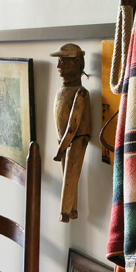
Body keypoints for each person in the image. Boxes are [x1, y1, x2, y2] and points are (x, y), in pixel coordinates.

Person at [51, 43, 91, 222]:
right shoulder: (62, 90)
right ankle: (72, 210)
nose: (59, 66)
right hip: (63, 139)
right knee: (67, 176)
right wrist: (61, 144)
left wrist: (62, 148)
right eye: (59, 61)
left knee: (69, 179)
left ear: (77, 63)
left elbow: (73, 124)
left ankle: (64, 213)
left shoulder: (81, 93)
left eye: (63, 61)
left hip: (76, 139)